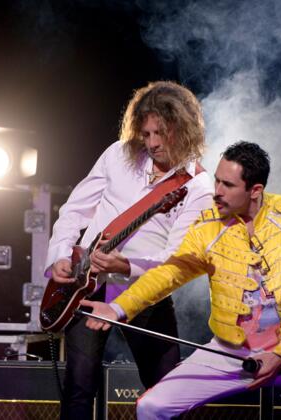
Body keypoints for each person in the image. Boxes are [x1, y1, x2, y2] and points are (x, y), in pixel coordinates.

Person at [82, 141, 281, 419]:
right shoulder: (207, 224)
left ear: (255, 191)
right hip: (230, 353)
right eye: (216, 180)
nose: (216, 191)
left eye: (227, 185)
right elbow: (170, 272)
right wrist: (118, 308)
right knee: (152, 407)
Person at [44, 81, 214, 419]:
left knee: (164, 390)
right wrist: (61, 255)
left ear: (185, 129)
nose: (152, 143)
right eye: (146, 133)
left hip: (144, 291)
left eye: (161, 133)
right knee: (79, 388)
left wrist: (126, 267)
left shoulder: (199, 187)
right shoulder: (118, 155)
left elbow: (176, 259)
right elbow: (75, 210)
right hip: (85, 285)